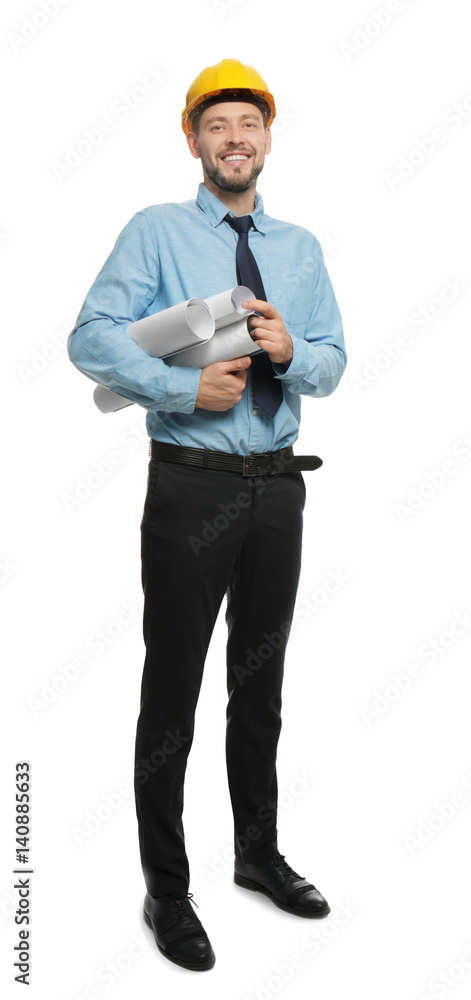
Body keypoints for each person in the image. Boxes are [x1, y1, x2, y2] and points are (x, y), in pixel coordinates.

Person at [67, 58, 347, 973]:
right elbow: (90, 337)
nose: (235, 140)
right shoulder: (155, 232)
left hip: (279, 489)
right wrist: (181, 384)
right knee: (174, 693)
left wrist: (291, 349)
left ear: (268, 138)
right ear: (192, 139)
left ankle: (256, 856)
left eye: (249, 125)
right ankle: (166, 887)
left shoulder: (300, 248)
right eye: (216, 125)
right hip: (190, 485)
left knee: (257, 690)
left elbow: (334, 360)